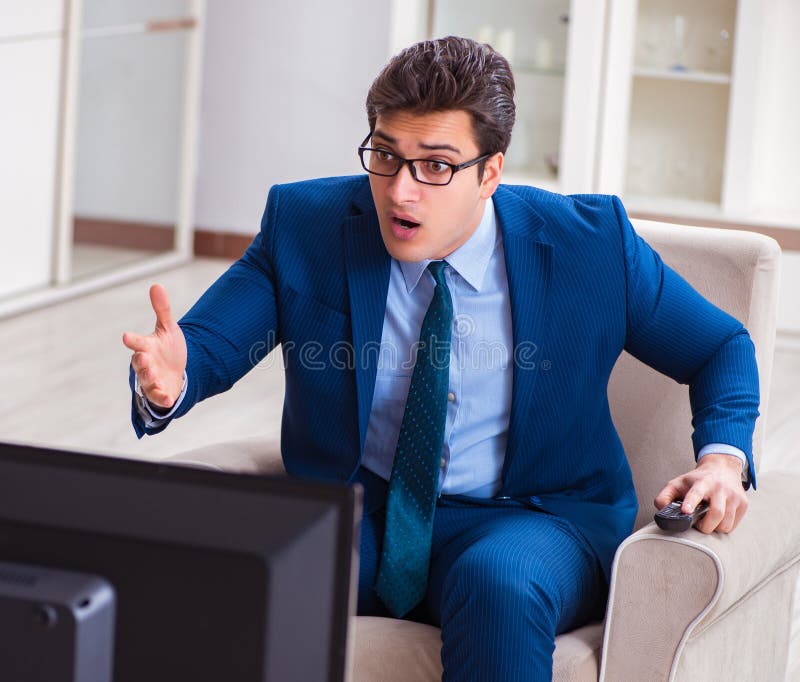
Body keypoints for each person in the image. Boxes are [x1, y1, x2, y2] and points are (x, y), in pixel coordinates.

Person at [123, 36, 758, 681]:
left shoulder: (589, 245)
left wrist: (722, 461)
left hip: (532, 517)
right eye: (386, 155)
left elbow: (720, 346)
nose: (401, 191)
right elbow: (204, 345)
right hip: (364, 508)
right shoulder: (308, 223)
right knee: (224, 571)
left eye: (436, 166)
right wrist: (171, 380)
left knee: (497, 582)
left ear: (490, 172)